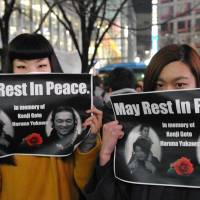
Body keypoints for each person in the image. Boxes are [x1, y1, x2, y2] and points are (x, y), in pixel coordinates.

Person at [84, 44, 200, 200]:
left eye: (180, 85)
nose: (166, 94)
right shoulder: (131, 136)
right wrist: (106, 155)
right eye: (159, 85)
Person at [0, 33, 103, 200]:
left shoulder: (72, 108)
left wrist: (89, 138)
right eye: (21, 67)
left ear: (52, 66)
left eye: (41, 66)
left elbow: (85, 181)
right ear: (10, 69)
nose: (32, 74)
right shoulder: (3, 118)